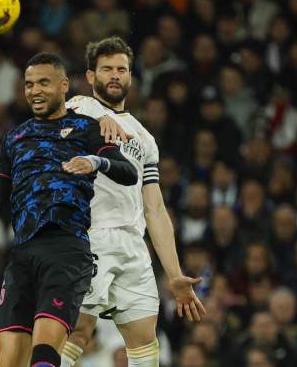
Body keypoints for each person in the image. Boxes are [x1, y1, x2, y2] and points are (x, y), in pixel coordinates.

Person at [0, 52, 138, 367]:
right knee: (10, 361)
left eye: (44, 82)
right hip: (23, 254)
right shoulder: (15, 138)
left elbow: (128, 172)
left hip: (66, 250)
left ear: (63, 85)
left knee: (44, 353)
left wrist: (95, 161)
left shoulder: (88, 128)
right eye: (29, 84)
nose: (35, 91)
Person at [61, 36, 206, 367]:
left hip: (132, 244)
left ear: (130, 77)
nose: (115, 75)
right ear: (90, 76)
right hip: (89, 235)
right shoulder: (78, 108)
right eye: (107, 69)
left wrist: (174, 274)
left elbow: (154, 208)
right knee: (78, 329)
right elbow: (65, 116)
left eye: (122, 69)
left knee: (144, 338)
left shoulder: (145, 138)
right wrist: (98, 118)